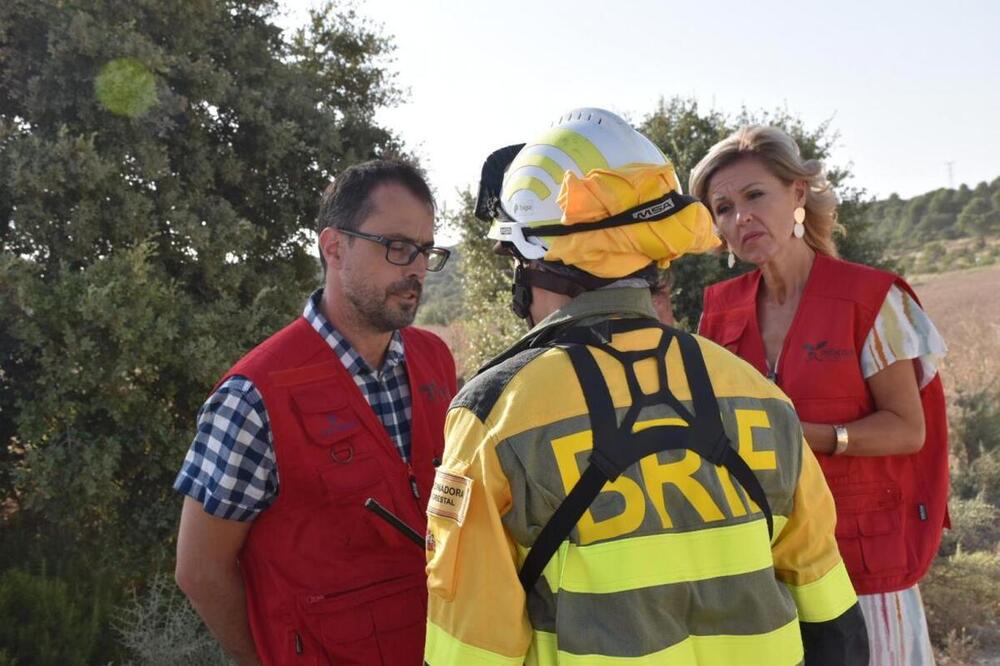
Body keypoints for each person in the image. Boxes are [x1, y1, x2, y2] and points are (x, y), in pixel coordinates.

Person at [423, 108, 868, 665]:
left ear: (533, 261)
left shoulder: (495, 416)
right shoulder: (757, 394)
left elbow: (470, 649)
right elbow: (833, 619)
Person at [173, 160, 457, 666]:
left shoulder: (434, 360)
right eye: (396, 247)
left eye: (425, 250)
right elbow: (200, 570)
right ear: (334, 246)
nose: (415, 268)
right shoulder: (254, 396)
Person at [692, 126, 949, 666]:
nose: (741, 218)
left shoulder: (868, 298)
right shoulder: (719, 310)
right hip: (765, 563)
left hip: (863, 556)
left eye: (755, 195)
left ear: (798, 195)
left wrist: (814, 439)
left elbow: (908, 428)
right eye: (723, 207)